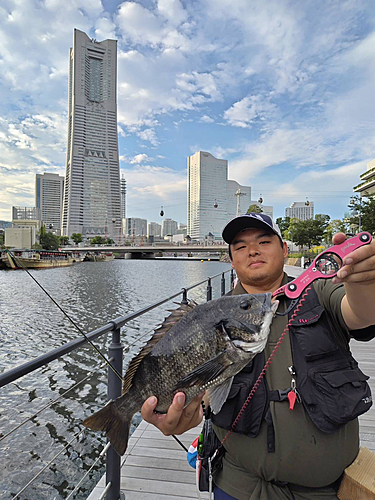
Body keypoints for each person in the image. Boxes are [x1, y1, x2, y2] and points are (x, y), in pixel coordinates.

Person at [141, 213, 375, 500]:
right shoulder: (211, 318)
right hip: (239, 486)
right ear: (230, 259)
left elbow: (361, 314)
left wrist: (362, 283)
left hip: (330, 489)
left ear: (285, 249)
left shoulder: (321, 288)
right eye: (240, 247)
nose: (252, 250)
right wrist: (185, 413)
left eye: (264, 241)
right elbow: (204, 394)